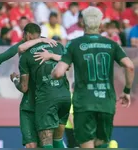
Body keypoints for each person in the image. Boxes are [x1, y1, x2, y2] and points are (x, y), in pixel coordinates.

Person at [51, 6, 135, 148]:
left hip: (83, 102)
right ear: (101, 24)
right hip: (106, 101)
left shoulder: (74, 44)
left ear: (83, 23)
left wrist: (54, 71)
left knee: (86, 143)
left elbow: (58, 73)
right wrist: (126, 91)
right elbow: (130, 66)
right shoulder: (112, 44)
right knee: (102, 143)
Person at [11, 23, 70, 148]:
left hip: (44, 99)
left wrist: (15, 80)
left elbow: (24, 87)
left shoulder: (25, 55)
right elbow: (69, 64)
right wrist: (52, 55)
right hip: (64, 95)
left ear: (27, 35)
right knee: (58, 139)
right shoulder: (57, 45)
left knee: (44, 142)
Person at [65, 82, 79, 148]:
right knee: (74, 145)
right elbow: (70, 114)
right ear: (73, 89)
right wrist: (75, 128)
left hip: (74, 126)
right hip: (71, 127)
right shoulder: (71, 97)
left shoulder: (77, 98)